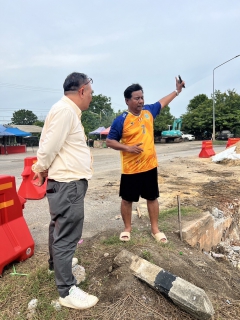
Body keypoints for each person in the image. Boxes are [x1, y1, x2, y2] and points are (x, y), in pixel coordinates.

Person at [32, 72, 99, 310]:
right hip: (68, 183)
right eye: (90, 93)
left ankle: (56, 264)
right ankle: (66, 290)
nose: (91, 98)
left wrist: (42, 168)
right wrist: (39, 168)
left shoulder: (65, 110)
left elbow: (52, 143)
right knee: (67, 234)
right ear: (81, 91)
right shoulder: (65, 111)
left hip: (66, 182)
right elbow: (49, 146)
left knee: (58, 227)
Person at [106, 77, 185, 243]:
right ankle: (127, 228)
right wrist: (128, 148)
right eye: (137, 98)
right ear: (127, 101)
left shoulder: (149, 111)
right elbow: (109, 141)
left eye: (142, 97)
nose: (141, 101)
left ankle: (155, 229)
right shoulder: (121, 120)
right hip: (131, 169)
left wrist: (177, 91)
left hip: (150, 166)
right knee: (127, 199)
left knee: (152, 197)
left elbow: (162, 102)